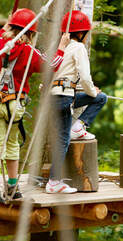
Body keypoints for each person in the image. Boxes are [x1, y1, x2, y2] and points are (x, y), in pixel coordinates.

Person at [0, 8, 70, 202]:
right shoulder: (29, 52)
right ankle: (13, 185)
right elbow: (51, 64)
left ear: (12, 27)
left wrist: (8, 23)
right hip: (16, 103)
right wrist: (62, 47)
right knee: (12, 143)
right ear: (31, 33)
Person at [45, 10, 107, 194]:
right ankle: (54, 182)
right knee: (63, 140)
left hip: (57, 96)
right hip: (63, 97)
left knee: (101, 98)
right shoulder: (78, 48)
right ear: (81, 33)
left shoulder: (61, 48)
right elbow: (86, 78)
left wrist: (92, 94)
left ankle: (78, 127)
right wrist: (91, 92)